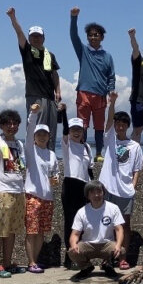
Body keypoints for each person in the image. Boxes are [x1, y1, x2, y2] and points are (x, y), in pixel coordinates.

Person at [99, 91, 143, 269]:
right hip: (108, 188)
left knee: (125, 224)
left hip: (125, 190)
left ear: (127, 126)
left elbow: (137, 169)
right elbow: (107, 122)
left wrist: (133, 186)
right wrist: (112, 103)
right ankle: (107, 257)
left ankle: (123, 257)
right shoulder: (109, 140)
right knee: (106, 222)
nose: (119, 126)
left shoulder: (135, 146)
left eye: (123, 124)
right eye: (117, 124)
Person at [7, 7, 61, 148]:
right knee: (36, 126)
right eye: (33, 36)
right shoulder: (27, 51)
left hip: (50, 97)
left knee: (51, 128)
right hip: (34, 95)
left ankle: (50, 155)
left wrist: (58, 91)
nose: (36, 38)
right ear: (30, 38)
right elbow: (19, 32)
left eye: (39, 36)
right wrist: (13, 17)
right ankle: (33, 154)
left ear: (43, 38)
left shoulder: (50, 55)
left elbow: (55, 74)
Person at [0, 109, 26, 278]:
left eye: (15, 123)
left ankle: (7, 263)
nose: (12, 126)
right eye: (7, 123)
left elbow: (21, 166)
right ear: (1, 125)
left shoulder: (19, 143)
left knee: (11, 230)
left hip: (18, 189)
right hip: (2, 189)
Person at [70, 7, 116, 159]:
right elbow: (73, 36)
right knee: (82, 124)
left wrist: (111, 91)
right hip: (83, 92)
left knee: (98, 126)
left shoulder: (108, 56)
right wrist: (74, 17)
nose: (93, 37)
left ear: (102, 37)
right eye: (90, 35)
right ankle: (80, 151)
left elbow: (111, 76)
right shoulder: (83, 51)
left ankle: (98, 153)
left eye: (96, 35)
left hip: (101, 95)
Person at [23, 104, 59, 274]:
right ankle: (31, 262)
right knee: (31, 231)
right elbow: (29, 130)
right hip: (32, 196)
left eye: (45, 134)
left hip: (48, 198)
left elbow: (55, 174)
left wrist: (55, 180)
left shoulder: (52, 154)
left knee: (41, 233)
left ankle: (35, 261)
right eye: (39, 134)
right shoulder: (31, 150)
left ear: (49, 136)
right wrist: (33, 114)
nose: (42, 137)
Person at [68, 181, 125, 280]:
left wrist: (118, 245)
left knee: (122, 251)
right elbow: (75, 234)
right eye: (92, 193)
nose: (96, 195)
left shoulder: (113, 208)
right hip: (88, 244)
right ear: (88, 195)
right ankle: (86, 267)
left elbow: (119, 229)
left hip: (107, 244)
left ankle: (108, 265)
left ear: (103, 192)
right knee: (72, 251)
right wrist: (74, 245)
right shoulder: (82, 212)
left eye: (99, 191)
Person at [59, 106, 92, 270]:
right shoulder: (66, 144)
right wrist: (64, 112)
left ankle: (80, 254)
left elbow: (89, 169)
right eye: (73, 129)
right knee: (70, 222)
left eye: (79, 129)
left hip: (84, 187)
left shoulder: (87, 147)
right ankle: (69, 256)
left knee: (82, 223)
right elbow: (64, 131)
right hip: (70, 185)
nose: (76, 132)